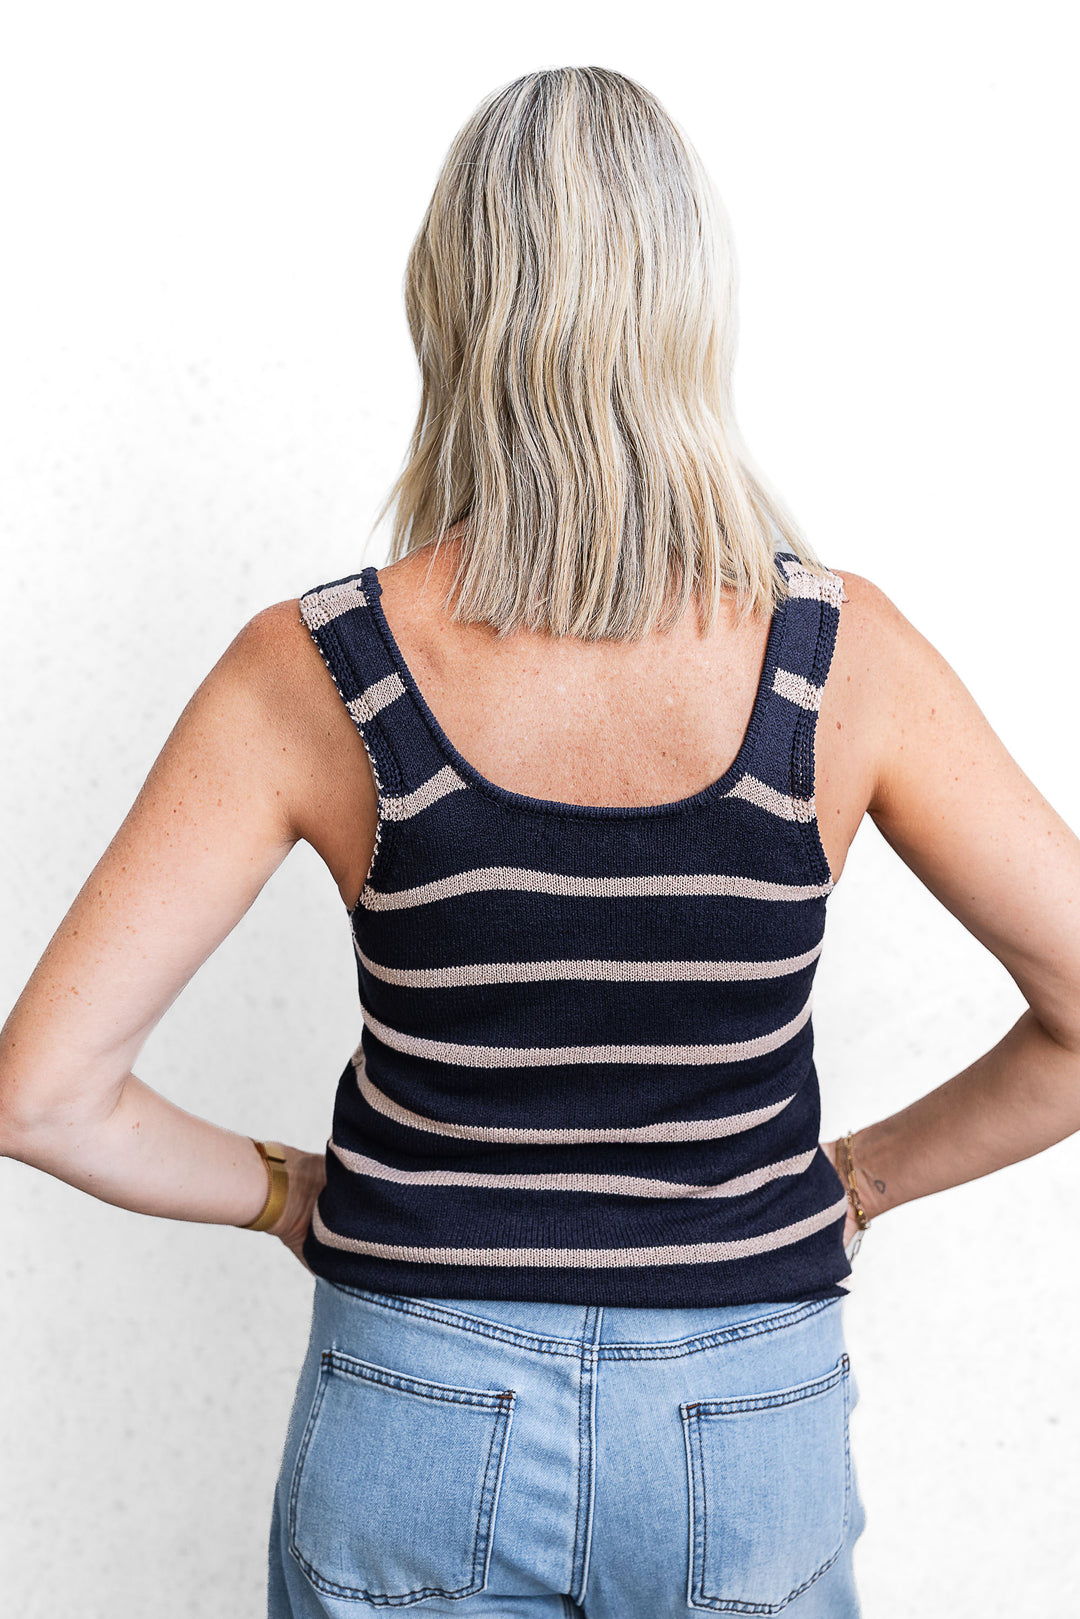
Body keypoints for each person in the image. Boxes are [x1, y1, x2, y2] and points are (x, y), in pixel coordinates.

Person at [2, 64, 1079, 1619]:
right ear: (694, 309)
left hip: (415, 1397)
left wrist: (289, 1194)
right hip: (745, 1407)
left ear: (448, 309)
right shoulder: (843, 662)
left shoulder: (317, 672)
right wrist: (861, 1177)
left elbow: (45, 1095)